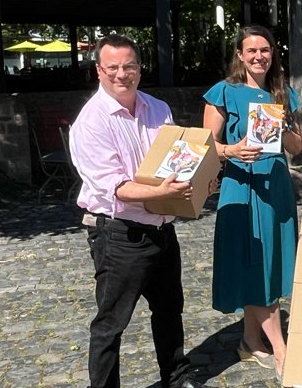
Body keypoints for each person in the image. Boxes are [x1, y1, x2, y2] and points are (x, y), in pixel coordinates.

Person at [69, 34, 204, 388]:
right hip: (119, 233)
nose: (121, 74)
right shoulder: (91, 122)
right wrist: (161, 191)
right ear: (98, 71)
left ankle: (176, 378)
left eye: (129, 66)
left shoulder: (158, 109)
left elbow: (177, 158)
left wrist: (199, 177)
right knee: (111, 323)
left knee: (169, 311)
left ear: (140, 69)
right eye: (112, 67)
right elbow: (115, 186)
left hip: (162, 227)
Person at [202, 25, 302, 379]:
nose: (260, 56)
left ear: (273, 53)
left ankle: (249, 341)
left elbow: (296, 148)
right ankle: (281, 349)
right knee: (254, 264)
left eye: (266, 50)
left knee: (267, 264)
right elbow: (205, 146)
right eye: (252, 50)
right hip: (241, 186)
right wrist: (232, 150)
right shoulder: (224, 92)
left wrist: (286, 123)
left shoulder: (282, 92)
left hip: (275, 187)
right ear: (240, 55)